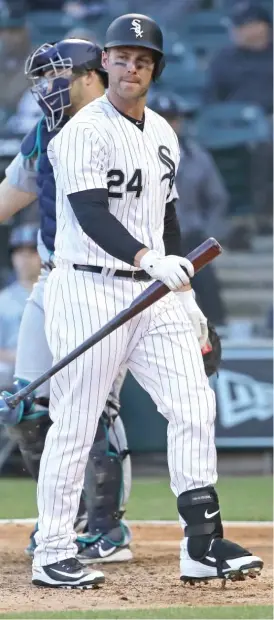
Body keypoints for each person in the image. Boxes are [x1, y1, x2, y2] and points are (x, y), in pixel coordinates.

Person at [26, 13, 262, 589]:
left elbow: (170, 217)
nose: (131, 66)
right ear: (104, 62)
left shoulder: (161, 131)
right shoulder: (82, 129)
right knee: (77, 423)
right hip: (89, 285)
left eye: (143, 59)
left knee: (193, 406)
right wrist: (144, 258)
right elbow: (88, 212)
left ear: (154, 68)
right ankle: (53, 549)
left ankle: (202, 544)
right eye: (122, 56)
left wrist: (185, 295)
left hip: (156, 293)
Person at [0, 39, 133, 574]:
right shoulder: (44, 134)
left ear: (91, 74)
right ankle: (65, 517)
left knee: (92, 405)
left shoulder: (129, 128)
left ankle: (108, 528)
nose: (48, 88)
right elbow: (10, 196)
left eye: (58, 76)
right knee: (25, 406)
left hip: (108, 283)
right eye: (44, 78)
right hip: (53, 281)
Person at [149, 92, 228, 326]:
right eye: (162, 118)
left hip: (190, 235)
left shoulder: (197, 156)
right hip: (151, 238)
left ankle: (216, 335)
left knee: (208, 289)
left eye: (174, 118)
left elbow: (217, 198)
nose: (170, 124)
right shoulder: (133, 155)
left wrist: (208, 232)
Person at [204, 2, 273, 115]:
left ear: (263, 26)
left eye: (245, 25)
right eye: (238, 26)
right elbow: (211, 100)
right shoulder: (224, 58)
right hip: (233, 123)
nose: (238, 31)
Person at [0, 224, 40, 391]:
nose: (25, 258)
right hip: (12, 376)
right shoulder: (3, 300)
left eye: (31, 251)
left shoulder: (57, 294)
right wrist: (20, 357)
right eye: (19, 252)